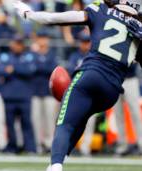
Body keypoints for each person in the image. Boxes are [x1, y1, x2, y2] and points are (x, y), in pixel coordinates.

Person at [14, 0, 141, 171]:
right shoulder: (138, 28)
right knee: (82, 118)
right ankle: (56, 163)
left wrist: (28, 14)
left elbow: (52, 19)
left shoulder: (100, 10)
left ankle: (56, 166)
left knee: (65, 123)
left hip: (91, 75)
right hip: (112, 91)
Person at [0, 34, 37, 154]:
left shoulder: (29, 57)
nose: (17, 46)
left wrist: (13, 69)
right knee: (10, 124)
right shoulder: (5, 57)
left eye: (20, 43)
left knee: (26, 123)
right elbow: (0, 71)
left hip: (24, 96)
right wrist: (18, 69)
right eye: (15, 43)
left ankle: (30, 148)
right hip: (9, 96)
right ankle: (12, 147)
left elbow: (30, 71)